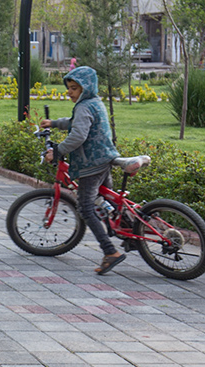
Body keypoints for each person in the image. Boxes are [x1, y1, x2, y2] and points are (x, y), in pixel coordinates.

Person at [40, 66, 124, 275]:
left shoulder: (84, 106)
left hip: (91, 165)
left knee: (86, 207)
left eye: (74, 88)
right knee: (109, 202)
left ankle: (110, 251)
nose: (70, 92)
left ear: (85, 88)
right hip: (105, 159)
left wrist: (57, 151)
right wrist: (54, 123)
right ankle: (131, 233)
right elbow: (74, 124)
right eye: (69, 88)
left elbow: (78, 136)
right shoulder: (93, 103)